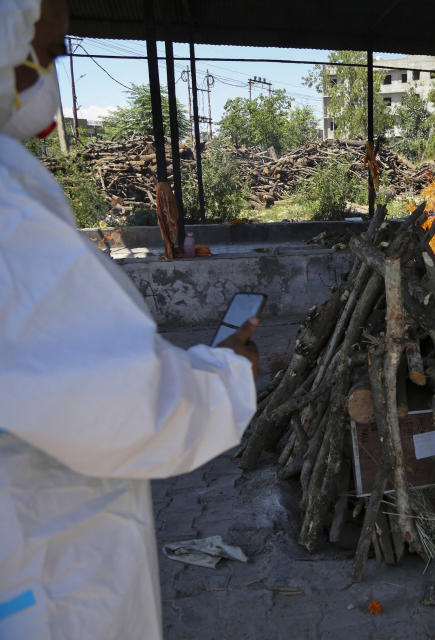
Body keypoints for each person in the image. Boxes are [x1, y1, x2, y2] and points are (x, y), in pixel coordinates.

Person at [0, 1, 261, 637]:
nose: (52, 71)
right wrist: (228, 377)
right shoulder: (8, 205)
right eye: (48, 52)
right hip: (41, 578)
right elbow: (120, 405)